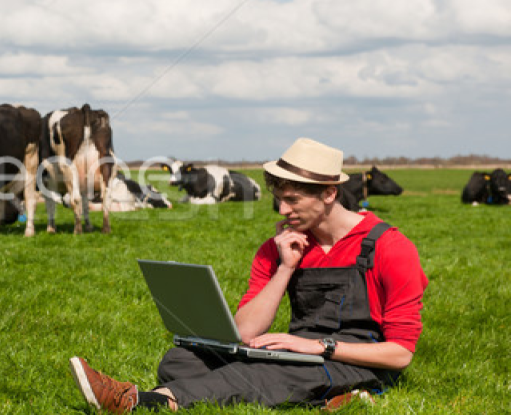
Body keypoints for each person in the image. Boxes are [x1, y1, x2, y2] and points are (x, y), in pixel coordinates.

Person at [69, 138, 428, 412]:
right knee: (180, 360)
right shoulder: (279, 247)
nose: (283, 211)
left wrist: (320, 346)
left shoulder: (389, 247)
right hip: (299, 353)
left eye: (293, 201)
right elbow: (244, 332)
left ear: (329, 193)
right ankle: (320, 397)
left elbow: (400, 355)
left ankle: (144, 403)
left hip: (357, 359)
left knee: (264, 373)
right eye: (279, 201)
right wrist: (285, 268)